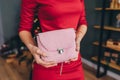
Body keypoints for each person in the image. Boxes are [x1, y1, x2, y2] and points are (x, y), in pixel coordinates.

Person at [18, 0, 87, 80]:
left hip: (74, 61)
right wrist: (32, 48)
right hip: (48, 63)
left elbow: (82, 22)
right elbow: (24, 29)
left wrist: (78, 37)